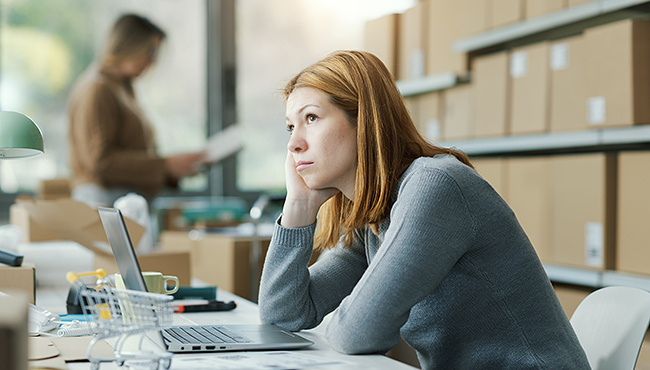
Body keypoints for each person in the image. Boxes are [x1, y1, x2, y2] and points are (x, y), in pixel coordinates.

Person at [258, 50, 590, 369]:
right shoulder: (376, 217)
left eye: (311, 118)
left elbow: (357, 333)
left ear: (365, 122)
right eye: (291, 126)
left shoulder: (434, 186)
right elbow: (283, 315)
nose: (293, 144)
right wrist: (298, 206)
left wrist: (341, 324)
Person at [68, 13, 204, 207]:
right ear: (129, 45)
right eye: (151, 52)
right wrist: (165, 165)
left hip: (124, 201)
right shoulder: (98, 89)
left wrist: (173, 169)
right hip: (106, 201)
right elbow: (100, 161)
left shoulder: (121, 88)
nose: (152, 62)